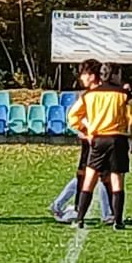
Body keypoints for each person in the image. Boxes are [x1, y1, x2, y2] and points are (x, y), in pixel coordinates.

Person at [68, 61, 132, 230]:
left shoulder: (89, 95)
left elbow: (73, 117)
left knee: (89, 178)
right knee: (117, 180)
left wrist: (88, 129)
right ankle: (118, 220)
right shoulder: (124, 95)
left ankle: (80, 218)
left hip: (98, 139)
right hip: (118, 139)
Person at [48, 64, 113, 225]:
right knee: (91, 175)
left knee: (99, 175)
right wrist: (88, 131)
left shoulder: (104, 93)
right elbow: (75, 116)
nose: (81, 78)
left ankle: (105, 213)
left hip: (100, 140)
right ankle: (71, 207)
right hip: (92, 141)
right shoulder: (89, 95)